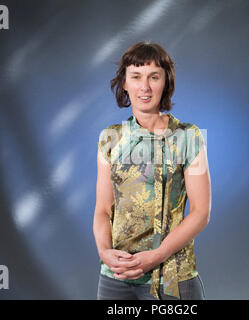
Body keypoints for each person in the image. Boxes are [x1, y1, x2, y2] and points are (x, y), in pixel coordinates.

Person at [93, 41, 211, 300]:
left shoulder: (189, 137)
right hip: (117, 278)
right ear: (124, 83)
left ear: (165, 81)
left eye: (153, 77)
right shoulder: (110, 138)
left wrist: (156, 256)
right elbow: (103, 209)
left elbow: (201, 212)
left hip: (172, 277)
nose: (144, 87)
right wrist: (105, 253)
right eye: (136, 77)